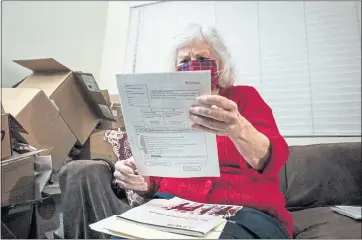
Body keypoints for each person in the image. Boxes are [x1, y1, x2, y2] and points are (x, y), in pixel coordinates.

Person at [59, 23, 292, 239]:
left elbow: (271, 159)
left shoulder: (245, 98)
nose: (192, 64)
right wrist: (142, 180)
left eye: (202, 58)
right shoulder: (165, 107)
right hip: (172, 208)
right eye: (184, 61)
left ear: (220, 65)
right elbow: (157, 176)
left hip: (245, 211)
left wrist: (238, 128)